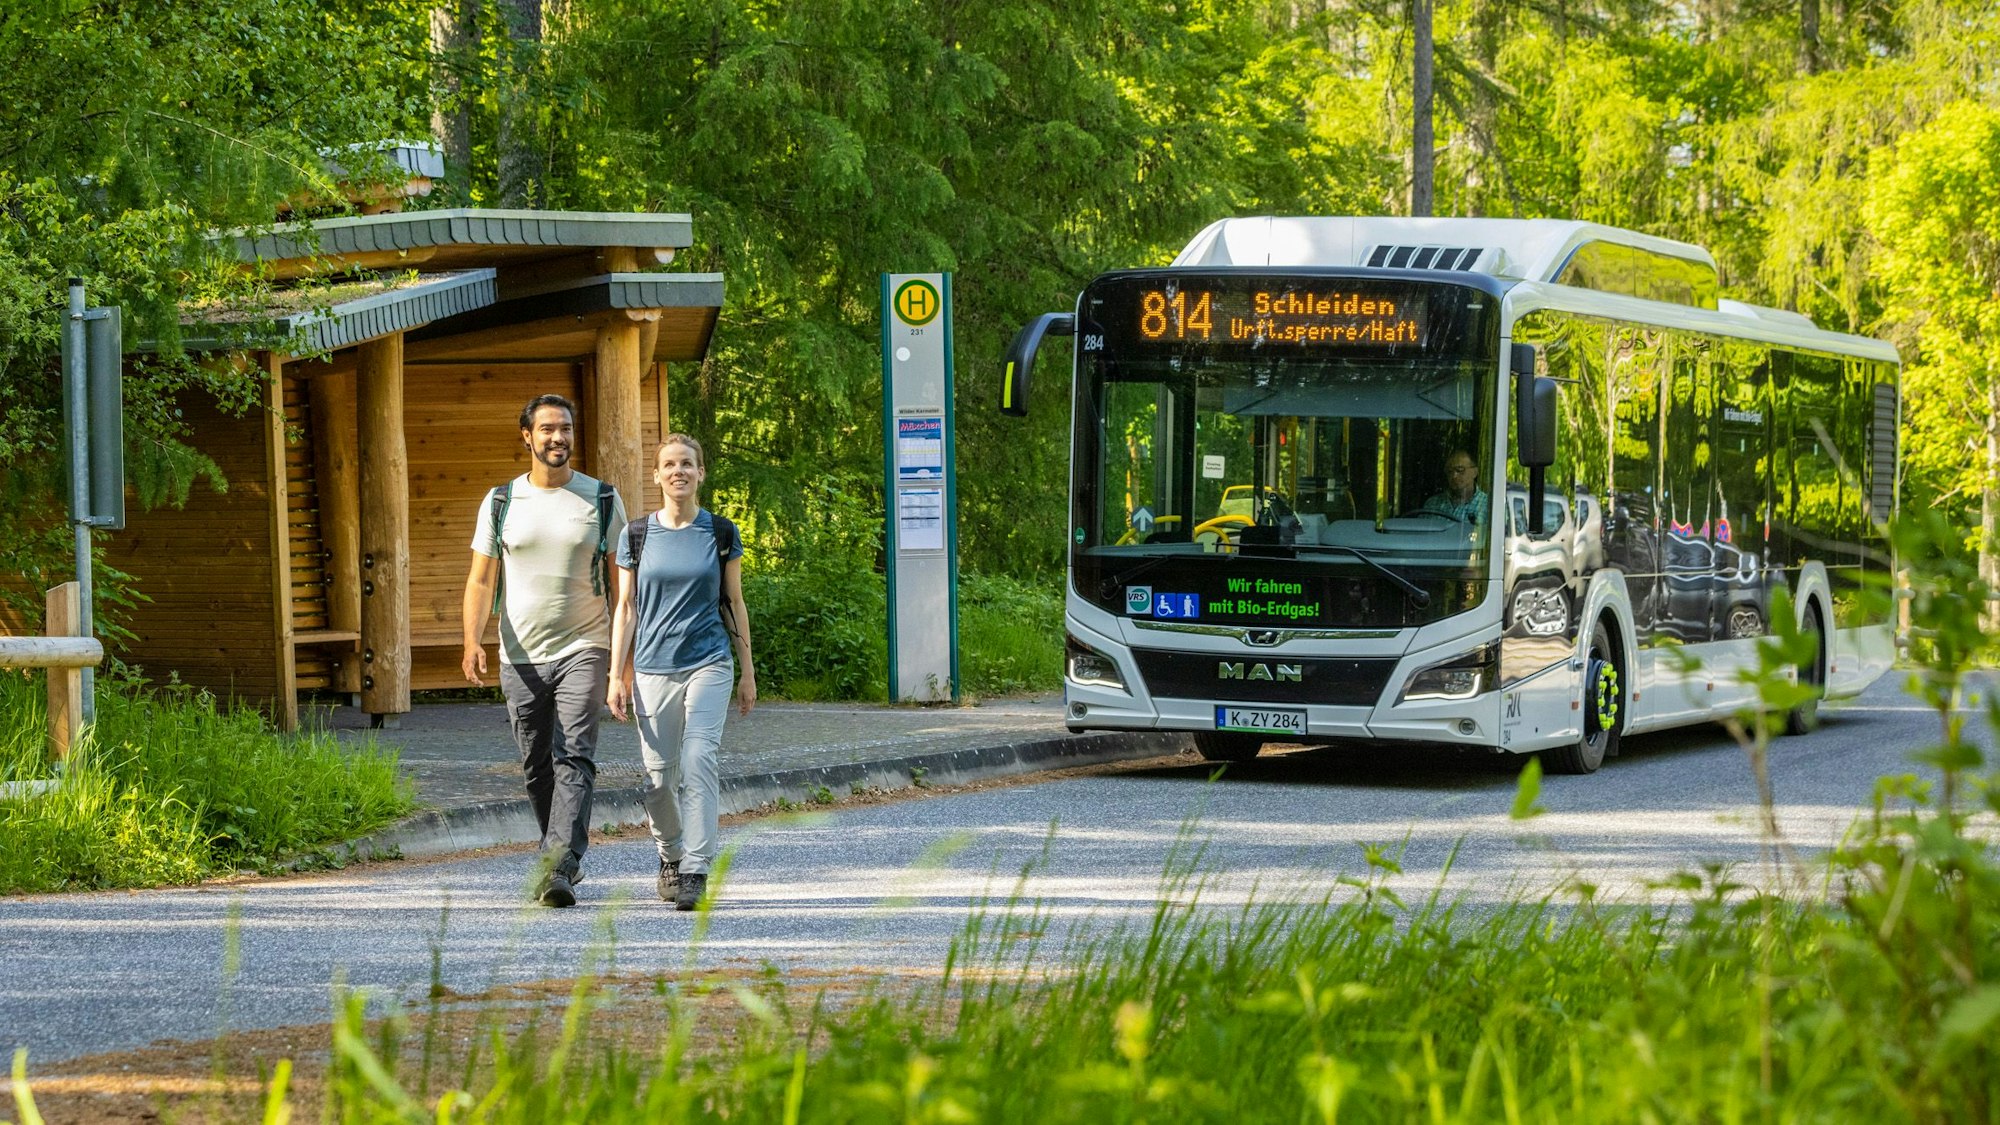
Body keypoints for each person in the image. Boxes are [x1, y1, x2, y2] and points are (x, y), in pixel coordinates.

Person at [461, 394, 626, 908]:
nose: (559, 438)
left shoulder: (601, 498)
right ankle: (554, 852)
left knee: (573, 753)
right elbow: (482, 579)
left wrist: (623, 660)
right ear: (527, 436)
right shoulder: (501, 501)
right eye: (548, 429)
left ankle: (559, 865)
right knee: (536, 765)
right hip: (519, 652)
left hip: (586, 644)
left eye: (566, 429)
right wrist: (471, 639)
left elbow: (622, 586)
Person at [608, 434, 756, 912]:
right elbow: (625, 608)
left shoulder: (720, 532)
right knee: (658, 777)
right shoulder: (636, 534)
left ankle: (695, 867)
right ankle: (669, 856)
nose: (679, 471)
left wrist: (747, 671)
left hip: (709, 662)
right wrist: (616, 675)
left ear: (701, 473)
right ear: (657, 475)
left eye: (688, 464)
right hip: (652, 668)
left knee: (698, 760)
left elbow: (735, 603)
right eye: (669, 464)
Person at [1421, 449, 1489, 525]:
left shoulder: (1487, 506)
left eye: (1460, 470)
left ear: (1475, 472)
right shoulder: (1432, 504)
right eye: (1450, 471)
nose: (1454, 476)